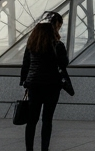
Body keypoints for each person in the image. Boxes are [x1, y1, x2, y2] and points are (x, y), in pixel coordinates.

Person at [20, 11, 71, 151]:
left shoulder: (31, 44)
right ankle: (44, 149)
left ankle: (29, 149)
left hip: (34, 85)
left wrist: (25, 82)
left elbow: (26, 64)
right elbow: (64, 63)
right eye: (58, 26)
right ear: (54, 27)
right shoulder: (57, 45)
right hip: (52, 85)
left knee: (31, 120)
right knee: (47, 120)